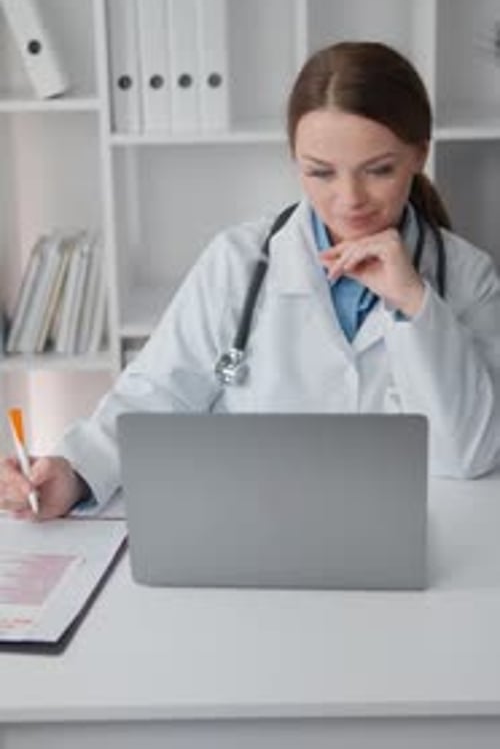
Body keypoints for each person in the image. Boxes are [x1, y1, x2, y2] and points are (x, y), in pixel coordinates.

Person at [2, 40, 500, 520]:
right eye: (321, 172)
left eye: (379, 170)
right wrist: (75, 473)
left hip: (410, 538)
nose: (350, 199)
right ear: (295, 161)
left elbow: (469, 455)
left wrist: (414, 303)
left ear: (419, 154)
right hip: (255, 536)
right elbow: (156, 395)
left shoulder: (467, 277)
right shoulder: (238, 262)